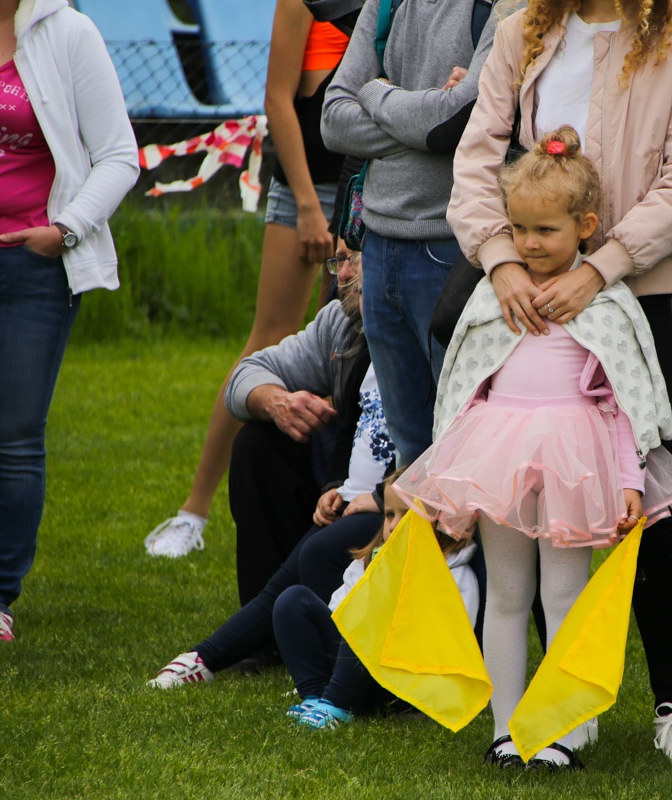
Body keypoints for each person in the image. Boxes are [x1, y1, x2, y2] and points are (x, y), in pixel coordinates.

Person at [446, 0, 672, 768]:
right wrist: (502, 260)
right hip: (527, 288)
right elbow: (476, 159)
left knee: (651, 512)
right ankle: (547, 711)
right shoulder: (523, 29)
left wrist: (601, 267)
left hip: (633, 290)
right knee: (533, 513)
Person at [401, 127, 672, 770]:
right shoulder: (494, 296)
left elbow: (621, 404)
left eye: (545, 230)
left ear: (585, 227)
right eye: (518, 230)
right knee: (508, 595)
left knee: (565, 597)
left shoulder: (608, 305)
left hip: (576, 467)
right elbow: (469, 387)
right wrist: (447, 480)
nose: (530, 244)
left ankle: (565, 727)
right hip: (499, 462)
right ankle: (507, 728)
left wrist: (630, 482)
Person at [0, 0, 138, 642]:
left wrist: (66, 229)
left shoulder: (69, 32)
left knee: (11, 439)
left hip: (27, 272)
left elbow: (119, 155)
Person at [145, 0, 351, 558]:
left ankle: (334, 506)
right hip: (307, 187)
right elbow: (278, 101)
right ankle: (193, 511)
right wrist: (307, 206)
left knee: (350, 351)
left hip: (369, 184)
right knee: (267, 342)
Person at [147, 249, 397, 685]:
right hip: (354, 497)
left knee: (316, 556)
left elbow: (432, 437)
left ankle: (213, 656)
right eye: (338, 260)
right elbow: (349, 426)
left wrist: (380, 497)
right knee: (257, 446)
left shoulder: (417, 341)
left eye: (356, 260)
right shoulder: (346, 326)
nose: (344, 275)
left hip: (397, 500)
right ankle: (239, 650)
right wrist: (281, 407)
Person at [319, 0, 505, 466]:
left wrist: (376, 92)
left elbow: (457, 119)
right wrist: (423, 122)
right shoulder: (386, 2)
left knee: (465, 448)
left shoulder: (503, 5)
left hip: (455, 249)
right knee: (411, 456)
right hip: (377, 249)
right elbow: (333, 120)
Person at [277, 469, 479, 729]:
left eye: (408, 515)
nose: (394, 525)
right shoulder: (371, 562)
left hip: (404, 682)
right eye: (389, 515)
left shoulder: (454, 575)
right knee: (292, 600)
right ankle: (316, 697)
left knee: (374, 608)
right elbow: (340, 614)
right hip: (356, 671)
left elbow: (452, 646)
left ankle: (337, 705)